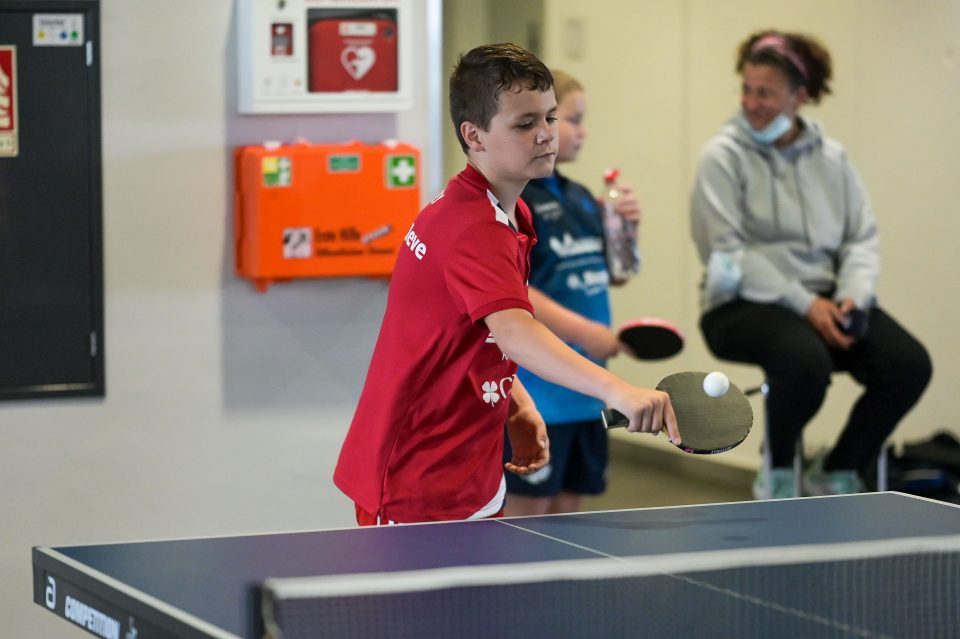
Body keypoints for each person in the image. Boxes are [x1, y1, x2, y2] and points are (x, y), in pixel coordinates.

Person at [334, 43, 679, 525]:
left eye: (550, 117)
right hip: (418, 473)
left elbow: (470, 333)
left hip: (470, 459)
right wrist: (617, 390)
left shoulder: (506, 213)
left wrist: (515, 402)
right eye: (524, 124)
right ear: (473, 135)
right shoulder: (472, 228)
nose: (546, 134)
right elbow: (515, 330)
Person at [690, 30, 932, 499]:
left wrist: (853, 297)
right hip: (739, 304)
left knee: (908, 365)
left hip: (824, 299)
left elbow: (861, 238)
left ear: (799, 97)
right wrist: (805, 304)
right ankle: (778, 470)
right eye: (746, 90)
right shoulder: (721, 157)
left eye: (766, 93)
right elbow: (730, 252)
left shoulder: (833, 159)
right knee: (804, 362)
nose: (752, 103)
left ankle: (838, 469)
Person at [503, 70, 642, 516]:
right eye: (573, 119)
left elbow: (615, 275)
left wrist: (626, 230)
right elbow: (513, 291)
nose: (582, 131)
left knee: (570, 514)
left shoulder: (582, 198)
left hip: (587, 395)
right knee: (528, 521)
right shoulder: (517, 202)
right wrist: (585, 332)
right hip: (539, 395)